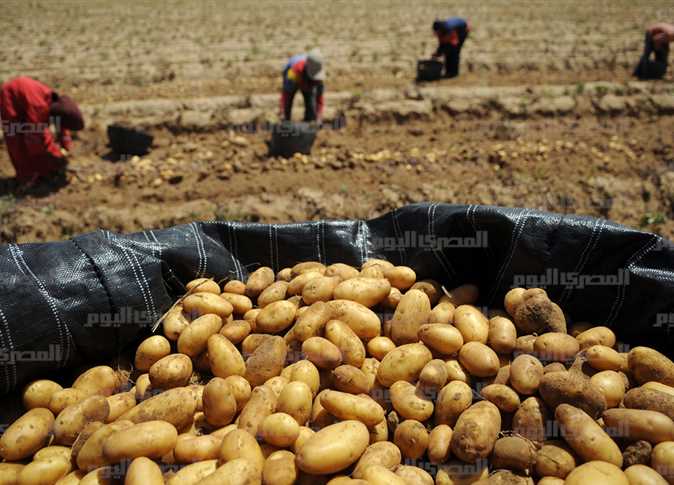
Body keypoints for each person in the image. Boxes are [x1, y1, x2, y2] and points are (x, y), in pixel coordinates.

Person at [0, 76, 84, 184]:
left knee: (35, 139)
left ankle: (40, 170)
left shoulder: (60, 107)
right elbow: (37, 139)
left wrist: (66, 146)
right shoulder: (39, 108)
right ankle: (26, 178)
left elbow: (63, 129)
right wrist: (56, 155)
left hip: (27, 95)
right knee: (16, 137)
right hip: (10, 96)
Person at [280, 52, 325, 122]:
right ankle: (286, 121)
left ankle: (309, 120)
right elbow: (286, 93)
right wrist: (282, 111)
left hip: (304, 76)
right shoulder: (293, 72)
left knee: (310, 102)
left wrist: (319, 115)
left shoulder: (318, 76)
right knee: (287, 104)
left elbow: (319, 97)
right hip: (293, 73)